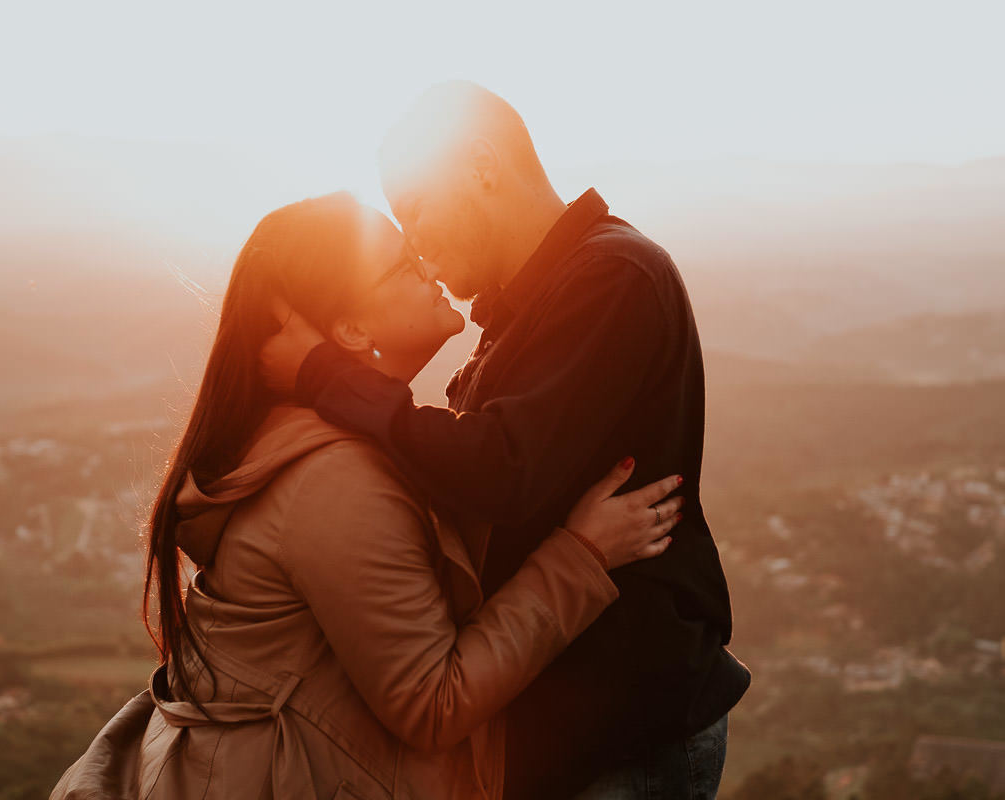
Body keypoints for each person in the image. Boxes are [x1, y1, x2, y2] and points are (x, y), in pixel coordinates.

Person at [50, 192, 686, 800]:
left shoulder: (317, 438)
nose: (429, 266)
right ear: (352, 328)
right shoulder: (335, 479)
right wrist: (582, 554)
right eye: (404, 265)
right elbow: (432, 705)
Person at [259, 82, 751, 799]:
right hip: (569, 731)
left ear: (482, 166)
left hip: (629, 734)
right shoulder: (524, 306)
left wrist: (323, 373)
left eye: (416, 211)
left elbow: (502, 468)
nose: (417, 246)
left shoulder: (613, 275)